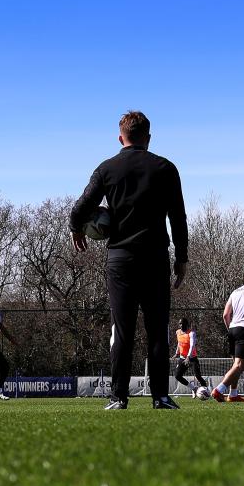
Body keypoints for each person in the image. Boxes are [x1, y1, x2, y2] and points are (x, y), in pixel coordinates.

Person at [70, 110, 187, 411]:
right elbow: (178, 217)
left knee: (122, 331)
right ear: (148, 138)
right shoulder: (165, 168)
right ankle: (160, 396)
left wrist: (76, 229)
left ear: (120, 137)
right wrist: (182, 257)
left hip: (120, 258)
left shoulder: (107, 169)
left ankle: (118, 397)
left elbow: (80, 208)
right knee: (158, 330)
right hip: (155, 256)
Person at [212, 266, 244, 403]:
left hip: (233, 328)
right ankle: (219, 390)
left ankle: (233, 394)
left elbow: (225, 315)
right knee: (239, 365)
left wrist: (230, 328)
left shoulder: (236, 291)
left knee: (236, 365)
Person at [174, 317, 210, 394]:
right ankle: (193, 388)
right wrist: (176, 353)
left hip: (192, 358)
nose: (181, 325)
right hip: (182, 358)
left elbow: (192, 345)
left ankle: (206, 391)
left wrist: (188, 357)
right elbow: (179, 343)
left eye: (183, 324)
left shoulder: (191, 333)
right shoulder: (178, 332)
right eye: (180, 324)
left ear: (187, 325)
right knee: (177, 376)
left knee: (198, 376)